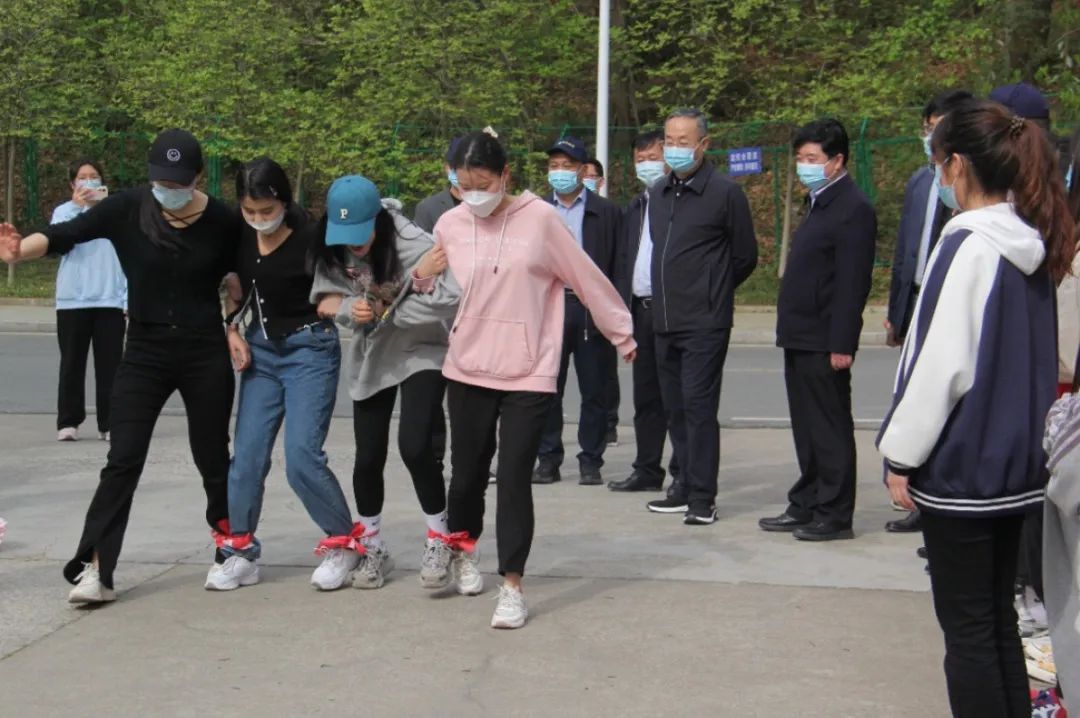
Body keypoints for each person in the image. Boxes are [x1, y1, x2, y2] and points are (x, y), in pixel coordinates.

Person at [877, 100, 1074, 717]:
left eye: (938, 162)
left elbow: (939, 365)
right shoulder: (1032, 241)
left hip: (962, 467)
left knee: (967, 634)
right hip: (1017, 466)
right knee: (998, 624)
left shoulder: (966, 242)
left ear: (957, 164)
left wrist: (899, 454)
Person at [0, 129, 241, 604]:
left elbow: (244, 277)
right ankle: (97, 568)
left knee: (213, 457)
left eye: (177, 182)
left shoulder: (223, 221)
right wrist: (19, 250)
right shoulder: (128, 208)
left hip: (203, 350)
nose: (167, 189)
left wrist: (235, 321)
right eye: (160, 180)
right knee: (122, 459)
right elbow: (66, 234)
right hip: (145, 350)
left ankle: (230, 546)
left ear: (197, 177)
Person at [420, 128, 635, 629]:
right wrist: (421, 274)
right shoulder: (449, 224)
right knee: (467, 474)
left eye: (483, 184)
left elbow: (586, 277)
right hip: (468, 365)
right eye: (464, 186)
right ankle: (464, 549)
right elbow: (432, 294)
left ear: (505, 175)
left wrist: (623, 333)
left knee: (515, 476)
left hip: (529, 368)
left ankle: (512, 585)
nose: (474, 195)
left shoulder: (540, 220)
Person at [201, 158, 363, 592]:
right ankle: (240, 552)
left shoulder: (313, 237)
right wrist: (231, 328)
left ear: (284, 202)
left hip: (310, 349)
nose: (258, 219)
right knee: (247, 458)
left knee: (301, 457)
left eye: (266, 210)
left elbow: (349, 283)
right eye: (249, 211)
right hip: (262, 352)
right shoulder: (240, 234)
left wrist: (338, 301)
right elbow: (234, 288)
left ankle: (344, 544)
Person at [310, 175, 460, 591]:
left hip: (421, 349)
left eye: (360, 234)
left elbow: (448, 300)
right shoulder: (332, 245)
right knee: (367, 455)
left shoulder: (415, 243)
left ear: (377, 219)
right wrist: (352, 308)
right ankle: (373, 546)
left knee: (415, 445)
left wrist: (384, 307)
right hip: (372, 353)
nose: (353, 245)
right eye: (345, 235)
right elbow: (325, 299)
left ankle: (440, 539)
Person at [758, 119, 876, 541]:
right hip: (801, 332)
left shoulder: (852, 208)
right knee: (806, 426)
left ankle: (834, 511)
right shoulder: (818, 201)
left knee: (829, 427)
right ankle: (807, 500)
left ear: (837, 160)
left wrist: (842, 342)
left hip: (825, 337)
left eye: (813, 158)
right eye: (800, 158)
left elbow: (852, 283)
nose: (804, 166)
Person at [643, 108, 758, 525]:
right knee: (674, 408)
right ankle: (683, 483)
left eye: (683, 141)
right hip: (664, 320)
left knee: (698, 408)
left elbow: (744, 256)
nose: (674, 148)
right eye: (669, 141)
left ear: (703, 145)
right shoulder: (658, 193)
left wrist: (712, 290)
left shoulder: (725, 193)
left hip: (704, 322)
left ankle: (702, 496)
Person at [883, 89, 973, 535]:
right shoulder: (922, 182)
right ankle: (917, 497)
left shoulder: (971, 196)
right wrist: (896, 310)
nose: (929, 135)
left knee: (941, 398)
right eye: (927, 126)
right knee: (913, 395)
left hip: (949, 299)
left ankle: (939, 498)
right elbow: (906, 249)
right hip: (917, 296)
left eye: (938, 127)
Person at [533, 137, 623, 486]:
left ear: (583, 170)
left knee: (595, 389)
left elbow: (618, 263)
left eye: (567, 166)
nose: (559, 172)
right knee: (546, 388)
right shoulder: (537, 211)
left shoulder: (606, 212)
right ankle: (548, 459)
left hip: (589, 309)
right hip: (548, 308)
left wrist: (613, 311)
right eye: (554, 165)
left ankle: (591, 460)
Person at [609, 129, 682, 493]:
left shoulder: (682, 203)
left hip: (676, 311)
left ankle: (683, 471)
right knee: (646, 397)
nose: (647, 165)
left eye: (654, 157)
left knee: (678, 397)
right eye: (640, 160)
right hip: (641, 311)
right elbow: (625, 260)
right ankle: (647, 469)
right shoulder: (636, 208)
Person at [51, 158, 127, 443]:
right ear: (73, 183)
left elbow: (128, 254)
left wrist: (127, 297)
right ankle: (68, 422)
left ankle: (109, 423)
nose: (88, 181)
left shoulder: (115, 212)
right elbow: (58, 242)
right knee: (72, 363)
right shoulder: (64, 212)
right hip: (72, 301)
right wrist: (78, 207)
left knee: (111, 366)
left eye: (93, 176)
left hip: (110, 299)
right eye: (82, 177)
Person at [410, 137, 461, 473]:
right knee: (433, 389)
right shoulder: (429, 208)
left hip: (474, 306)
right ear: (446, 169)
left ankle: (470, 458)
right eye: (455, 167)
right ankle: (436, 454)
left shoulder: (486, 206)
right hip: (438, 305)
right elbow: (421, 256)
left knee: (467, 395)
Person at [583, 156, 620, 446]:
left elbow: (618, 259)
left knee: (601, 375)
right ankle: (547, 453)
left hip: (597, 305)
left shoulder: (609, 213)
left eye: (590, 176)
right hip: (561, 303)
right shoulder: (546, 210)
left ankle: (606, 427)